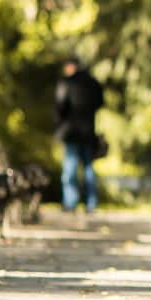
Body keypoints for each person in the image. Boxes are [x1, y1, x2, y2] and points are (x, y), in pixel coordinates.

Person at [54, 56, 104, 214]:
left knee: (70, 169)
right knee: (88, 169)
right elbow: (100, 103)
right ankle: (91, 203)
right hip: (88, 131)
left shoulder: (67, 83)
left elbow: (60, 104)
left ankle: (70, 203)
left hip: (71, 132)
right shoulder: (93, 83)